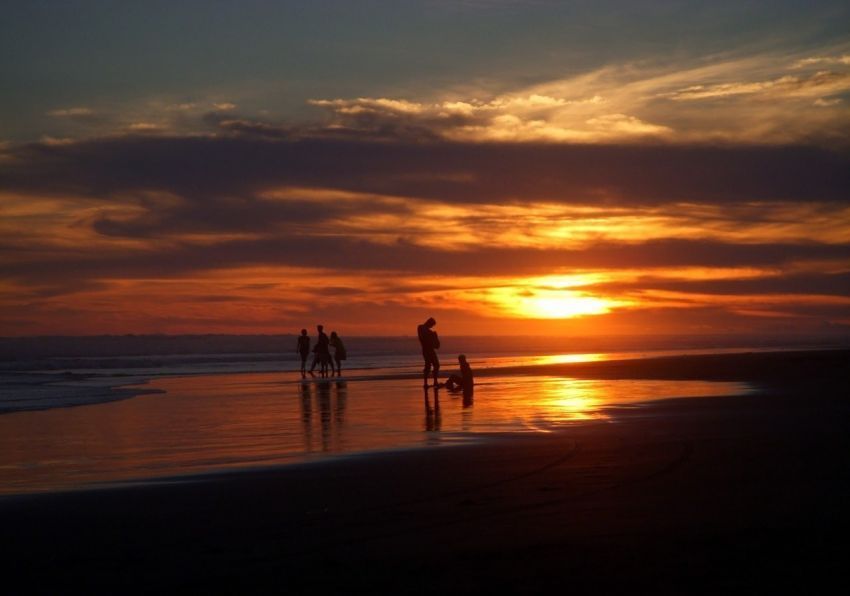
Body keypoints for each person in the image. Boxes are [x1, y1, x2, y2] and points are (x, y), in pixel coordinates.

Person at [417, 317, 440, 387]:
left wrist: (435, 336)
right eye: (432, 325)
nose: (432, 327)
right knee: (428, 366)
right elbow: (423, 338)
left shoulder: (430, 332)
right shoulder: (421, 327)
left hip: (430, 350)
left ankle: (435, 381)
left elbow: (437, 346)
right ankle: (425, 383)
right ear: (429, 322)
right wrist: (433, 335)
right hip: (426, 350)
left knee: (436, 365)